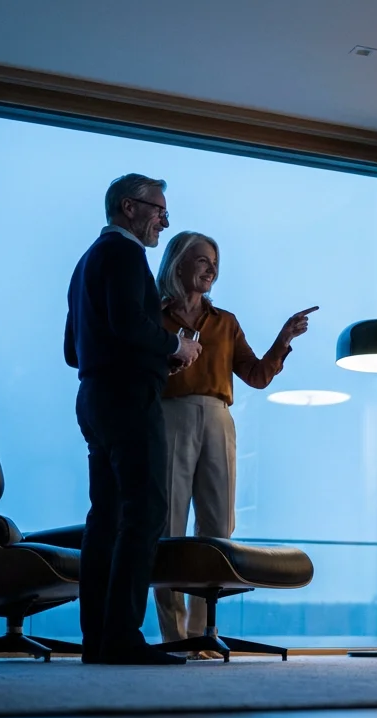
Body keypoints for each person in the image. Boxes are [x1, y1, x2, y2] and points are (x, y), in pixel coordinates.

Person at [150, 231, 316, 652]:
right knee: (167, 526)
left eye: (215, 262)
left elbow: (257, 377)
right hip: (170, 416)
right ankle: (174, 638)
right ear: (178, 264)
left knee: (218, 526)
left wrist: (283, 340)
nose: (211, 268)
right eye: (202, 260)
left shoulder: (225, 322)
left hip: (219, 419)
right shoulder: (154, 316)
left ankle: (202, 636)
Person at [64, 173, 201, 666]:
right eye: (159, 210)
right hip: (127, 398)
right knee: (144, 513)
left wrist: (152, 357)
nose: (164, 221)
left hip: (95, 396)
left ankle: (97, 639)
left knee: (106, 518)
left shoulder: (85, 263)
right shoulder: (124, 255)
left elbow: (70, 349)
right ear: (129, 207)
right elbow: (129, 324)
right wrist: (175, 346)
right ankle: (122, 636)